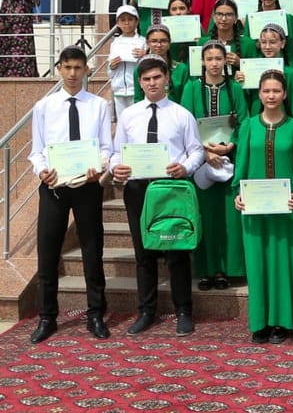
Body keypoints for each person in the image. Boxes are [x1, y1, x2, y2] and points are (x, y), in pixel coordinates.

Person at [111, 54, 204, 337]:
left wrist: (185, 167)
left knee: (176, 252)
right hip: (138, 190)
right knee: (144, 253)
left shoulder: (181, 114)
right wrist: (116, 167)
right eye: (147, 79)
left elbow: (197, 150)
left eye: (157, 77)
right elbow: (116, 152)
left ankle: (184, 312)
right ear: (140, 82)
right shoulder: (129, 115)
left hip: (170, 189)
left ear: (167, 79)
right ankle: (146, 311)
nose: (152, 83)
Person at [28, 46, 113, 343]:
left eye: (78, 68)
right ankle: (47, 317)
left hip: (87, 185)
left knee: (92, 249)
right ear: (59, 69)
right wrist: (42, 171)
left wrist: (99, 166)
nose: (73, 73)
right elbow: (36, 151)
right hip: (54, 186)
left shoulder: (99, 105)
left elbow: (106, 148)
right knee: (48, 250)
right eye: (68, 67)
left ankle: (95, 314)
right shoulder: (44, 106)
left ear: (86, 70)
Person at [232, 70, 293, 344]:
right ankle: (260, 321)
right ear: (259, 94)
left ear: (285, 94)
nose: (271, 95)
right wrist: (237, 193)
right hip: (254, 208)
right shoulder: (249, 125)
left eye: (276, 91)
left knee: (284, 263)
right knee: (257, 263)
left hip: (286, 208)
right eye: (266, 91)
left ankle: (283, 321)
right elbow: (241, 164)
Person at [181, 41, 249, 290]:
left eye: (218, 58)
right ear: (202, 61)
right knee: (206, 216)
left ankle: (226, 270)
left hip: (228, 160)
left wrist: (231, 145)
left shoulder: (235, 89)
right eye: (209, 59)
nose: (214, 63)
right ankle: (206, 270)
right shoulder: (191, 88)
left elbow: (244, 122)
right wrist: (205, 152)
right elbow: (186, 124)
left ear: (225, 61)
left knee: (227, 218)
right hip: (201, 161)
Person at [0, 0, 39, 77]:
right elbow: (4, 4)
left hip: (23, 25)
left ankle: (25, 75)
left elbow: (36, 1)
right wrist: (1, 19)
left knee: (23, 51)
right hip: (8, 24)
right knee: (7, 50)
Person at [108, 5, 146, 118]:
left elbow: (149, 65)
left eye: (130, 19)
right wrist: (112, 66)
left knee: (137, 119)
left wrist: (145, 55)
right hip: (119, 89)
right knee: (122, 120)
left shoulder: (143, 41)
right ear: (118, 23)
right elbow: (109, 71)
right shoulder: (115, 43)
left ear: (137, 22)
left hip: (136, 89)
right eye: (123, 20)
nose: (126, 23)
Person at [134, 24, 188, 103]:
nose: (159, 45)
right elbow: (138, 99)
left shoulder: (181, 69)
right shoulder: (140, 69)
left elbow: (185, 99)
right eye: (154, 41)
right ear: (147, 43)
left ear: (169, 43)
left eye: (163, 41)